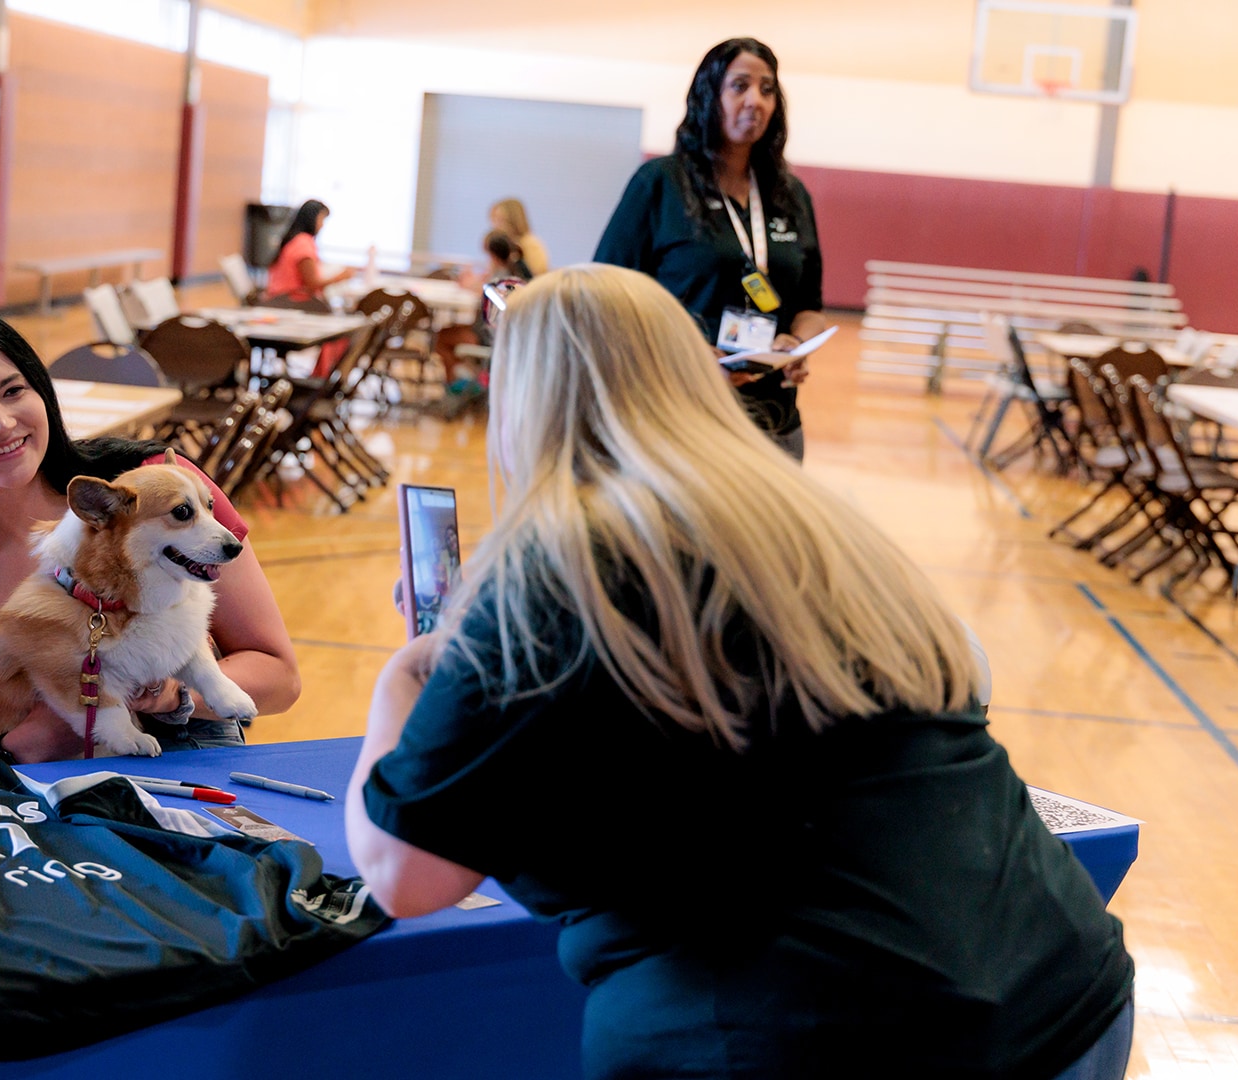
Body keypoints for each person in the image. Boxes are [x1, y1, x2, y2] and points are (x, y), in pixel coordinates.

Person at [345, 265, 1134, 1080]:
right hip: (1064, 986)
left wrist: (406, 676)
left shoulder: (559, 565)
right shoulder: (801, 517)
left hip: (835, 1034)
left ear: (525, 399)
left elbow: (404, 875)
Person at [0, 308, 300, 767]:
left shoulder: (163, 488)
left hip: (186, 756)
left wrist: (172, 695)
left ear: (43, 394)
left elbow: (280, 677)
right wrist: (19, 747)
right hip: (27, 784)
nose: (1, 423)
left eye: (13, 391)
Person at [594, 38, 828, 461]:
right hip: (678, 417)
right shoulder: (660, 183)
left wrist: (796, 345)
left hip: (773, 424)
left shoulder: (791, 196)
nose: (755, 100)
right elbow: (607, 295)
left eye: (767, 89)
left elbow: (810, 307)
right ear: (709, 96)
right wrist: (686, 352)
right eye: (739, 86)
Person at [433, 229, 532, 392]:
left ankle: (457, 386)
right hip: (499, 335)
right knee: (447, 334)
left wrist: (471, 281)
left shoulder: (501, 279)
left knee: (440, 338)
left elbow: (481, 290)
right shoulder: (515, 273)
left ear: (493, 255)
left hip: (486, 336)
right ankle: (465, 381)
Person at [264, 200, 352, 304]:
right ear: (312, 218)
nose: (322, 225)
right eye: (321, 219)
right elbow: (312, 283)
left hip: (278, 300)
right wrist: (341, 276)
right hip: (292, 301)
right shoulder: (303, 243)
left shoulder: (293, 240)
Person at [489, 198, 548, 276]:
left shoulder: (529, 243)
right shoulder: (502, 245)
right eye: (494, 220)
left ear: (513, 220)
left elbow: (536, 274)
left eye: (500, 220)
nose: (495, 225)